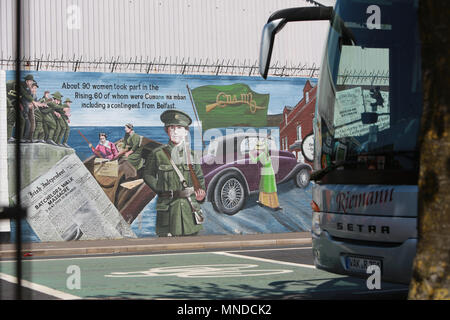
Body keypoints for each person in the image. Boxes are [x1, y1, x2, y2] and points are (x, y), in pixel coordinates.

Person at [143, 109, 206, 237]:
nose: (175, 131)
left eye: (179, 127)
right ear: (167, 130)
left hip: (189, 211)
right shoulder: (158, 154)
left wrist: (201, 196)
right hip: (168, 211)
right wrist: (160, 189)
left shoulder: (192, 156)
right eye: (171, 127)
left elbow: (200, 180)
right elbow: (148, 175)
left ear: (186, 131)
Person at [249, 137, 281, 210]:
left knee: (264, 188)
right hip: (271, 172)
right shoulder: (267, 154)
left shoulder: (261, 155)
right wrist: (265, 140)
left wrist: (250, 154)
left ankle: (264, 202)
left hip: (265, 173)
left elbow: (254, 161)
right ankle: (274, 204)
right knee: (271, 188)